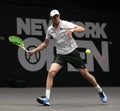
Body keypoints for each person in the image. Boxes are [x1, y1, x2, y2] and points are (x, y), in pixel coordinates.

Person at [28, 9, 108, 106]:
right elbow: (45, 44)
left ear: (59, 16)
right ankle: (47, 98)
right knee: (51, 72)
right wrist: (33, 51)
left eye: (57, 16)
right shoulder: (50, 30)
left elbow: (82, 29)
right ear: (51, 18)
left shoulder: (65, 24)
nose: (56, 18)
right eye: (54, 17)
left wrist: (73, 30)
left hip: (72, 52)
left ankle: (100, 91)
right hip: (60, 54)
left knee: (85, 74)